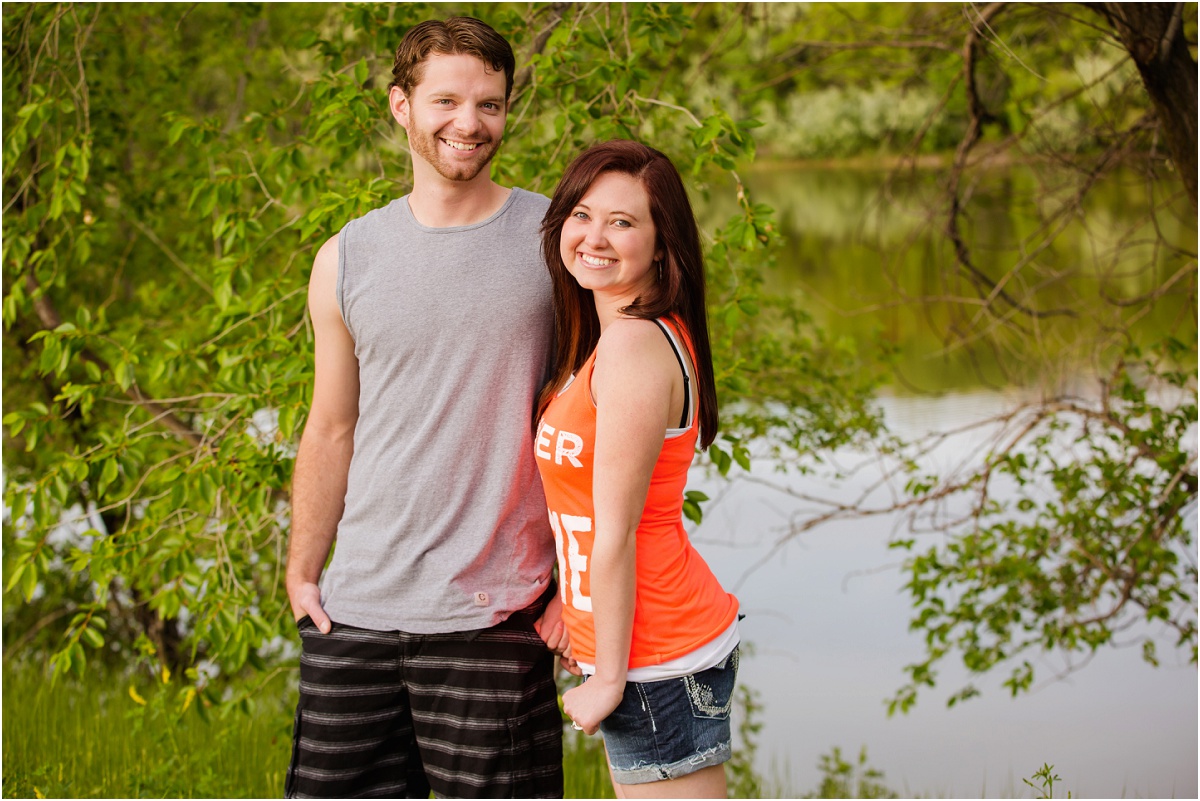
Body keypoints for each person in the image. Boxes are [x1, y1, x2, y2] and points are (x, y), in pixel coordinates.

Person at [285, 17, 566, 799]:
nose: (469, 124)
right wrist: (304, 569)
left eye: (490, 104)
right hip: (355, 615)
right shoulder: (345, 256)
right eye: (446, 101)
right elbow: (332, 423)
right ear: (400, 105)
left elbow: (595, 424)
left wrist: (577, 590)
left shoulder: (555, 242)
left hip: (495, 617)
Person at [534, 140, 741, 799]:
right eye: (582, 214)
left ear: (660, 244)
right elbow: (586, 509)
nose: (595, 236)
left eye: (622, 221)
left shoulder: (633, 344)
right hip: (640, 643)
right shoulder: (608, 337)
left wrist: (609, 680)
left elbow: (617, 529)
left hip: (656, 657)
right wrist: (574, 602)